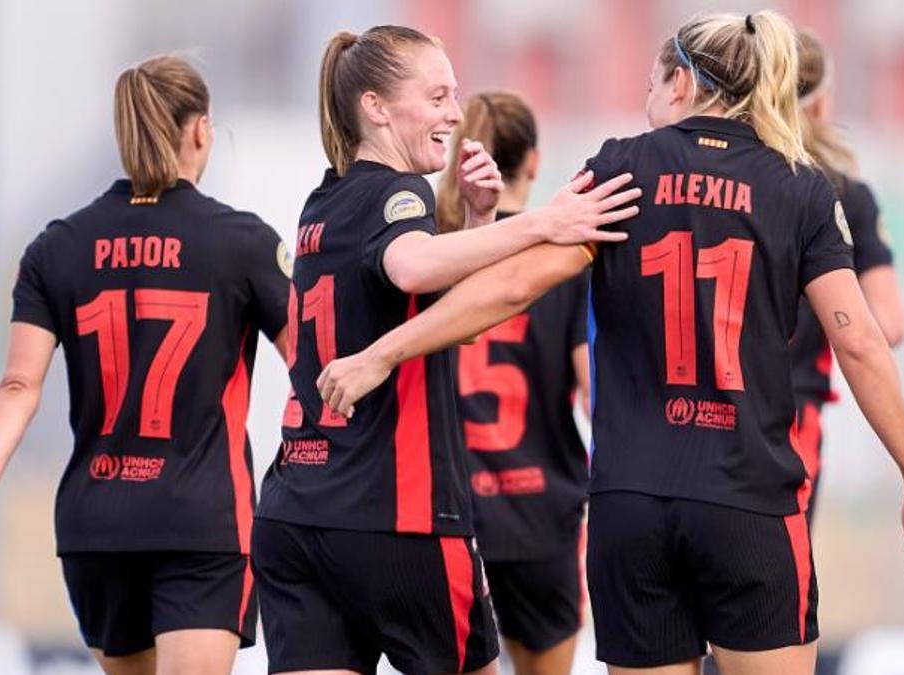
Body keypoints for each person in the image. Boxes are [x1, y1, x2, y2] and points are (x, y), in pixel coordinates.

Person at [316, 11, 904, 675]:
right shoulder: (800, 187)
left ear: (682, 83)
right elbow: (861, 344)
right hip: (750, 502)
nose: (646, 95)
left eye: (652, 80)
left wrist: (382, 352)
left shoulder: (622, 169)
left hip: (630, 508)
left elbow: (508, 291)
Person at [251, 25, 640, 675]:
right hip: (400, 520)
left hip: (297, 512)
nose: (456, 114)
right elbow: (411, 268)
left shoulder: (324, 201)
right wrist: (543, 220)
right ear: (376, 107)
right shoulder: (399, 193)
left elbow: (435, 314)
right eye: (437, 96)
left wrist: (481, 221)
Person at [0, 55, 291, 675]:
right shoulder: (242, 242)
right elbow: (316, 370)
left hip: (98, 522)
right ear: (201, 130)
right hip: (201, 519)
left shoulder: (57, 247)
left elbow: (18, 385)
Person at [437, 92, 591, 675]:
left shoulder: (437, 252)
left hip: (451, 514)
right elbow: (594, 390)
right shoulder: (565, 261)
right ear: (533, 160)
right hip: (541, 517)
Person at [790, 29, 904, 525]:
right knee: (776, 592)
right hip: (789, 418)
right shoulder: (843, 194)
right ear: (819, 104)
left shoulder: (725, 179)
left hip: (692, 418)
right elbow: (888, 324)